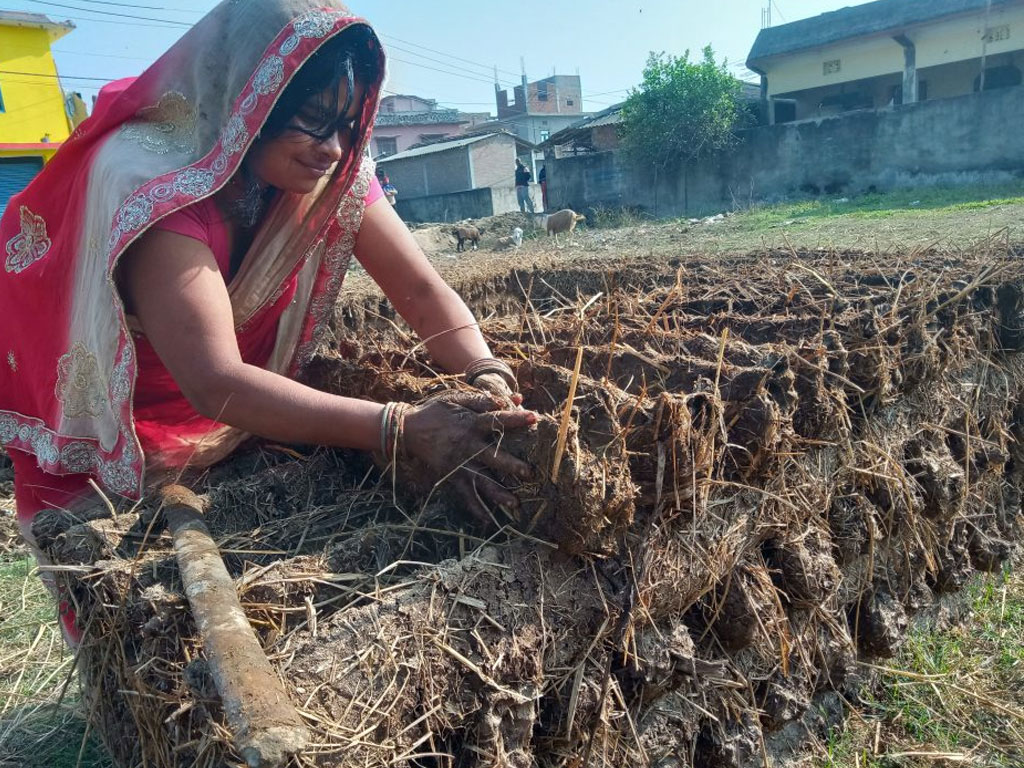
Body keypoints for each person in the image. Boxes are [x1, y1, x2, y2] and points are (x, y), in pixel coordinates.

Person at [0, 0, 535, 643]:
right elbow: (217, 381)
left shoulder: (331, 169)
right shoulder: (157, 188)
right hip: (121, 410)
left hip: (231, 411)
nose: (333, 148)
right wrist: (399, 426)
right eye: (312, 120)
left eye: (347, 123)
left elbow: (420, 288)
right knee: (136, 620)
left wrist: (487, 372)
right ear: (249, 99)